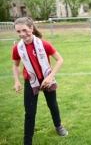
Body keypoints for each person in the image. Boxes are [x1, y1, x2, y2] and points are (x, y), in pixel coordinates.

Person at [12, 17, 68, 145]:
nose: (21, 34)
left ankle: (58, 126)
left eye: (24, 30)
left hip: (47, 79)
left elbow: (60, 60)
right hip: (31, 81)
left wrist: (49, 77)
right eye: (18, 31)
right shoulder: (17, 48)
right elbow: (15, 65)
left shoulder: (44, 44)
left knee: (52, 105)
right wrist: (17, 81)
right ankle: (27, 140)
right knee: (30, 112)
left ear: (31, 28)